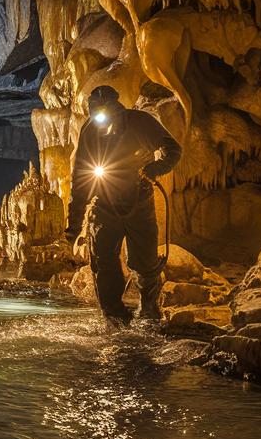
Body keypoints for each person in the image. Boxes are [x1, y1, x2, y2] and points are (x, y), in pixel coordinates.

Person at [64, 85, 182, 325]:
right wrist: (74, 223)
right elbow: (81, 178)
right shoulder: (89, 130)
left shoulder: (141, 121)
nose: (98, 117)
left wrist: (155, 169)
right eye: (94, 111)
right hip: (105, 206)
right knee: (104, 262)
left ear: (115, 106)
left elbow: (174, 149)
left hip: (139, 203)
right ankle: (113, 314)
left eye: (102, 111)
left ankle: (149, 310)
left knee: (146, 262)